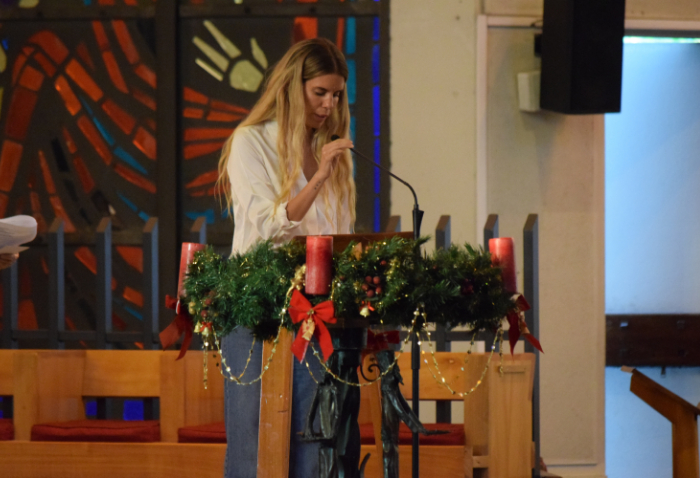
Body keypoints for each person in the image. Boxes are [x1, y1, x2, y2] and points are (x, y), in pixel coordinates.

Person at [216, 38, 356, 478]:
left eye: (337, 95)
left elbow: (337, 236)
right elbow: (268, 224)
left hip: (316, 311)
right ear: (293, 86)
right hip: (256, 309)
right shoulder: (251, 141)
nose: (330, 105)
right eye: (320, 93)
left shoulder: (329, 150)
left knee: (313, 440)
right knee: (254, 444)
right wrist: (317, 178)